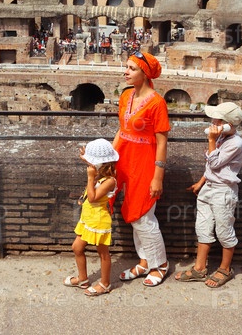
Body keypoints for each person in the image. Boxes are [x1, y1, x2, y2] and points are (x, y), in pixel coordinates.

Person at [114, 51, 170, 287]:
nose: (126, 72)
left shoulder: (157, 103)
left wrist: (158, 177)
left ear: (145, 74)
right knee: (133, 214)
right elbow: (122, 130)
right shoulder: (126, 95)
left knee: (142, 216)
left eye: (132, 68)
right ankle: (145, 261)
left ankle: (160, 264)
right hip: (124, 160)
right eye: (126, 67)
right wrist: (109, 158)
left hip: (145, 163)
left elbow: (162, 142)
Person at [174, 101, 242, 288]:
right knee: (203, 227)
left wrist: (211, 141)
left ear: (228, 124)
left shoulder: (236, 143)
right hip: (208, 188)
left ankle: (225, 269)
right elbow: (210, 167)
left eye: (217, 120)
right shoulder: (221, 137)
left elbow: (215, 163)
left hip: (223, 191)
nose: (213, 122)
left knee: (224, 231)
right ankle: (199, 268)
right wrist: (200, 182)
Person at [63, 138, 118, 297]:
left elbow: (93, 198)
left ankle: (105, 284)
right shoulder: (99, 172)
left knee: (103, 253)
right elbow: (92, 166)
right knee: (77, 247)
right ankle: (83, 279)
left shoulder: (109, 181)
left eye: (92, 162)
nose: (90, 165)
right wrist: (85, 157)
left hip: (99, 220)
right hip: (88, 217)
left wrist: (89, 177)